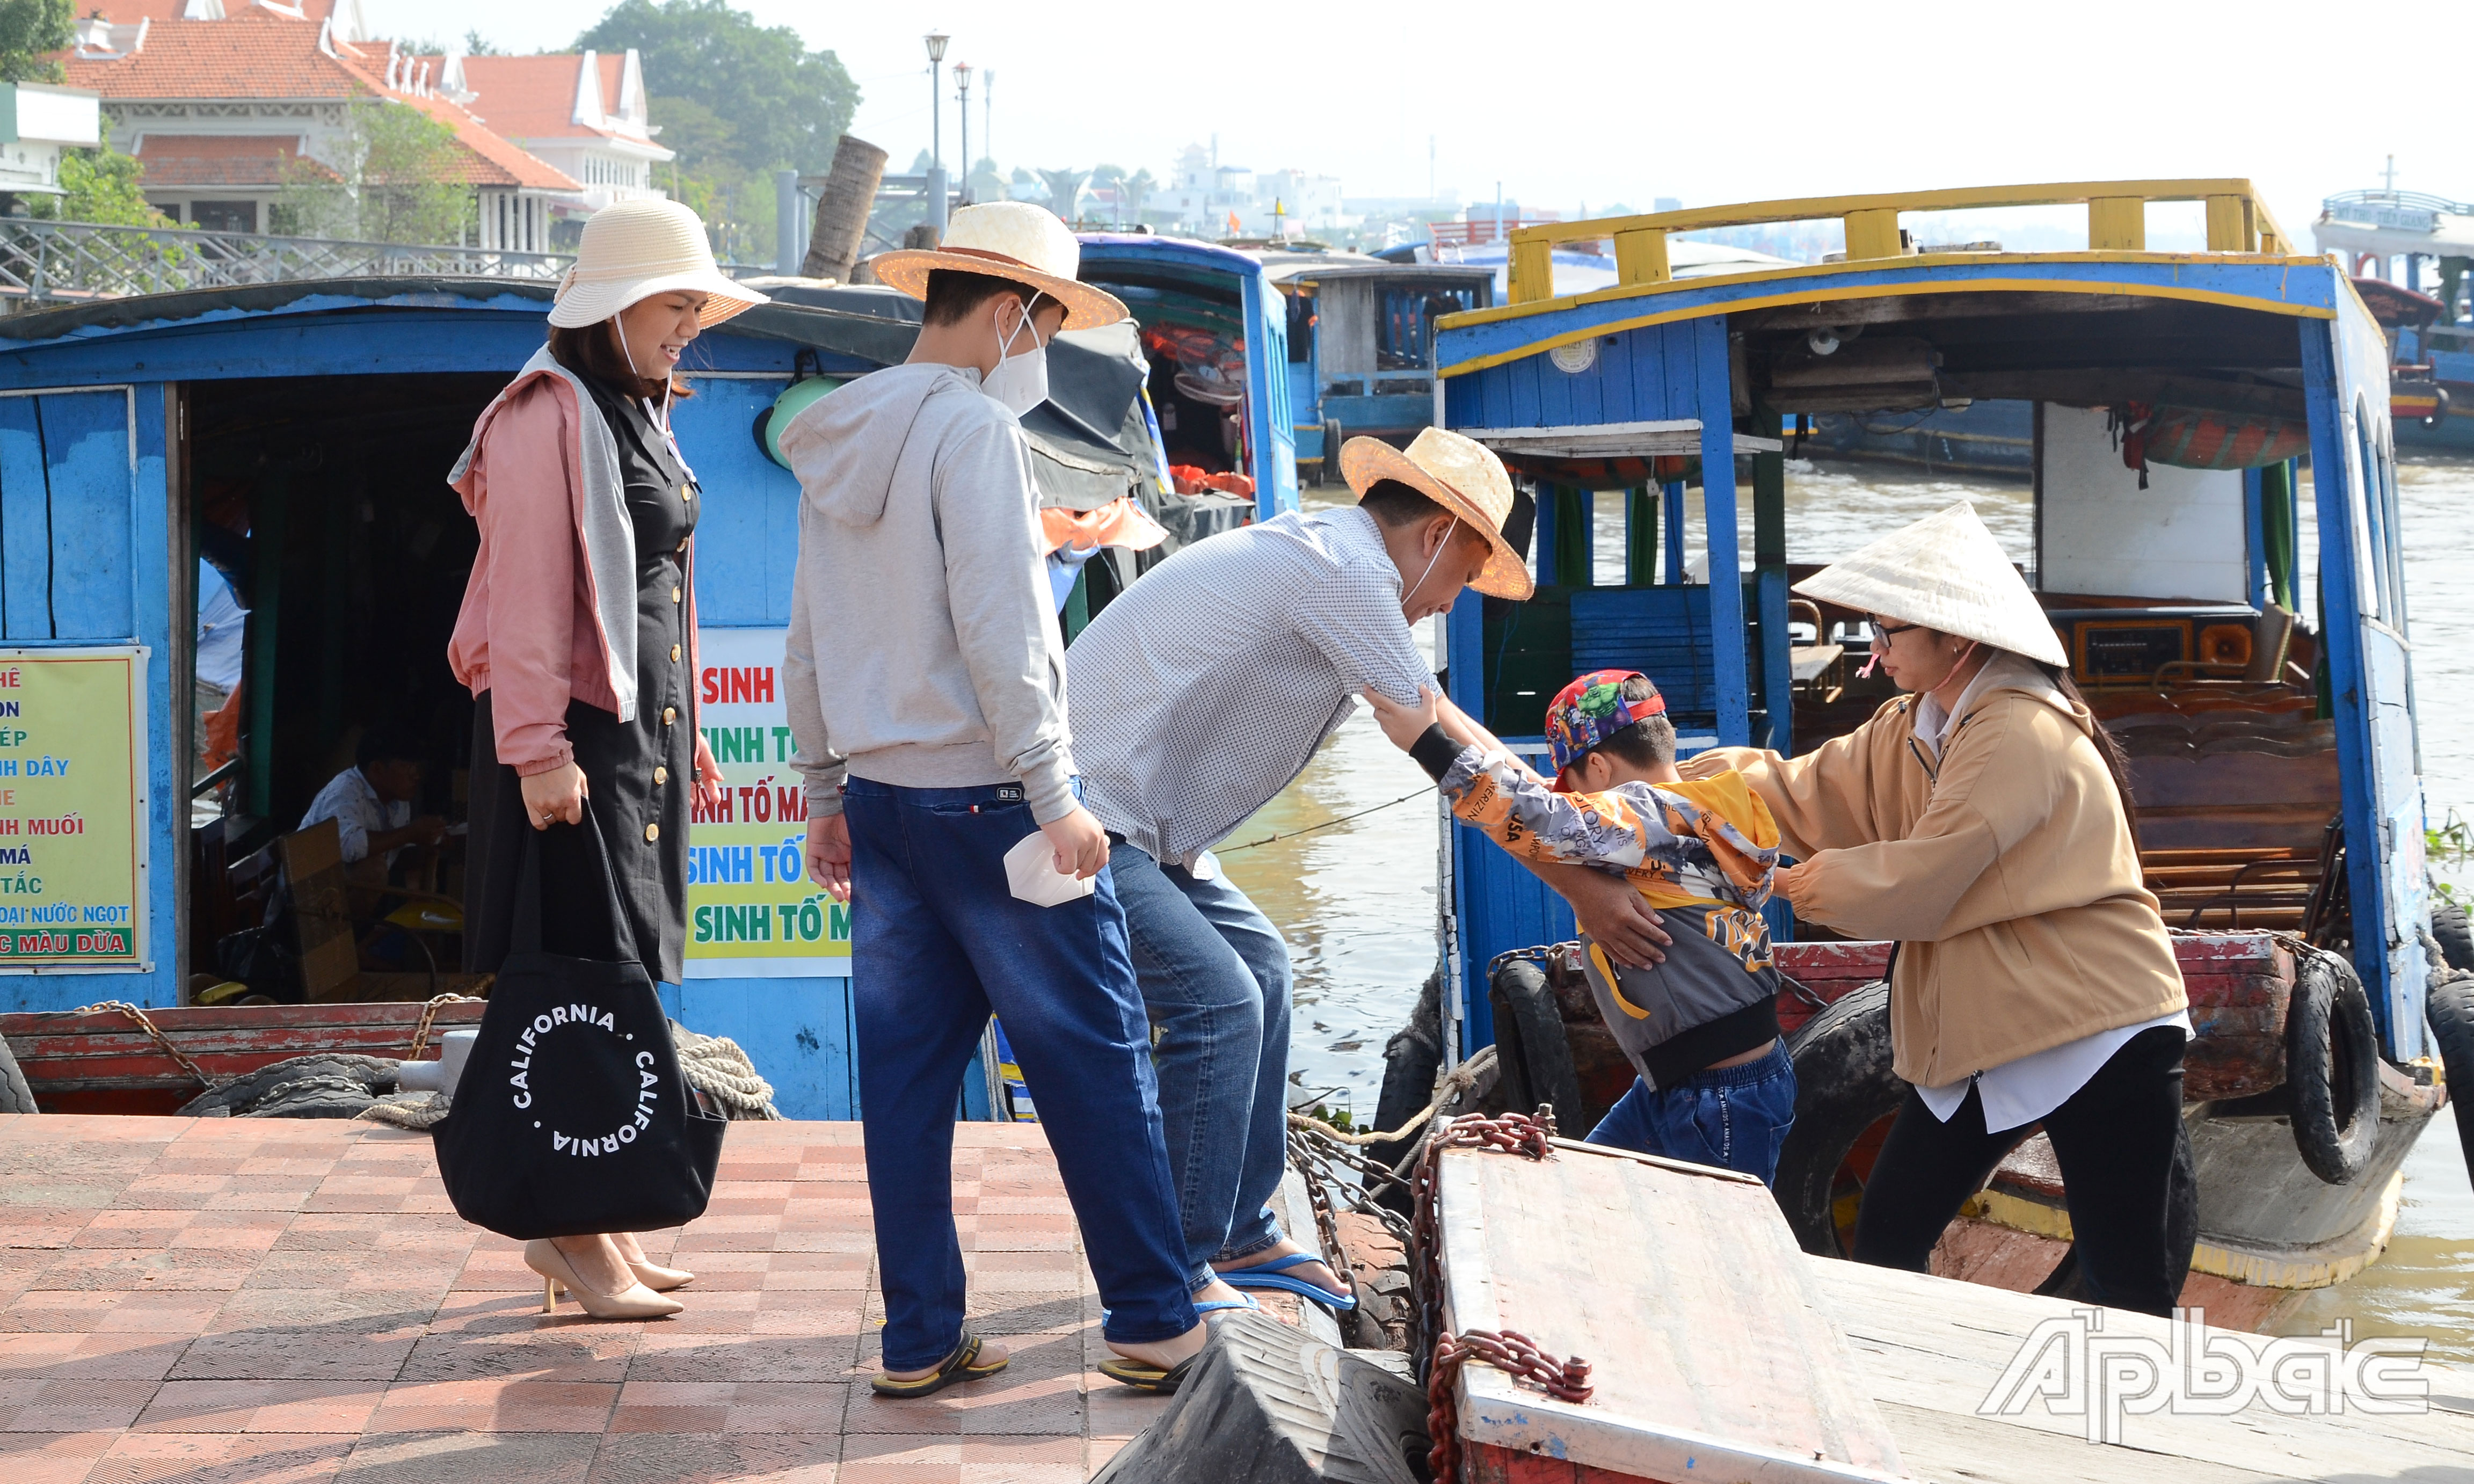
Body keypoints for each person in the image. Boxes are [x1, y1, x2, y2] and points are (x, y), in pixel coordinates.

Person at [1061, 428, 1670, 1312]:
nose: (1450, 602)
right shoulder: (1347, 573)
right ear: (1432, 536)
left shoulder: (1329, 555)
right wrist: (1581, 875)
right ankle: (1175, 1270)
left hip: (1143, 825)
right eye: (1463, 575)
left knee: (1264, 967)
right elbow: (1425, 727)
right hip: (1084, 813)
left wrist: (1552, 809)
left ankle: (1239, 1229)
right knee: (1219, 1000)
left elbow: (1437, 712)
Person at [782, 201, 1210, 1396]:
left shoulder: (836, 432)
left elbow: (809, 638)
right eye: (1049, 322)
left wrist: (823, 787)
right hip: (990, 803)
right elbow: (1006, 626)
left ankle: (919, 1333)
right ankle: (1155, 1317)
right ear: (1015, 311)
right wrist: (1055, 785)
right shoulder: (972, 432)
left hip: (879, 801)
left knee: (906, 1082)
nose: (1045, 349)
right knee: (1097, 1049)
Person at [1683, 500, 2195, 1315]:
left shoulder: (2018, 730)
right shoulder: (1920, 723)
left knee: (2126, 1282)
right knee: (1887, 1239)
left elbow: (1923, 883)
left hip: (2099, 1026)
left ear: (1955, 638)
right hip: (1992, 1024)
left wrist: (1775, 882)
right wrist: (1674, 795)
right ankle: (1919, 1411)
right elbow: (1804, 789)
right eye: (1872, 634)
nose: (1874, 651)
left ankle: (2136, 1440)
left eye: (1888, 634)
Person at [447, 197, 757, 1322]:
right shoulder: (548, 413)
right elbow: (528, 593)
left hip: (637, 741)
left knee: (617, 977)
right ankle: (572, 1237)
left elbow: (663, 590)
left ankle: (605, 1217)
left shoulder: (630, 409)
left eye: (694, 306)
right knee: (580, 974)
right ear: (614, 308)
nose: (690, 325)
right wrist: (536, 751)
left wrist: (696, 732)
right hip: (572, 742)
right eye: (676, 305)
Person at [1365, 668, 1799, 1183]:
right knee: (1581, 1191)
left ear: (1597, 764)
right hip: (1683, 1081)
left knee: (1727, 1249)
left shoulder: (1641, 816)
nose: (1570, 797)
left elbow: (1538, 815)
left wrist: (1427, 746)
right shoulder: (1690, 811)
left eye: (1575, 782)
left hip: (1720, 1094)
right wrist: (1438, 706)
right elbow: (1533, 790)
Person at [299, 731, 447, 876]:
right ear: (377, 769)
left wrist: (433, 840)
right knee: (372, 869)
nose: (416, 776)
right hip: (306, 891)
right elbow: (348, 846)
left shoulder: (398, 801)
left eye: (417, 768)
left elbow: (395, 854)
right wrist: (410, 833)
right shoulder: (344, 790)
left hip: (337, 888)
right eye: (407, 768)